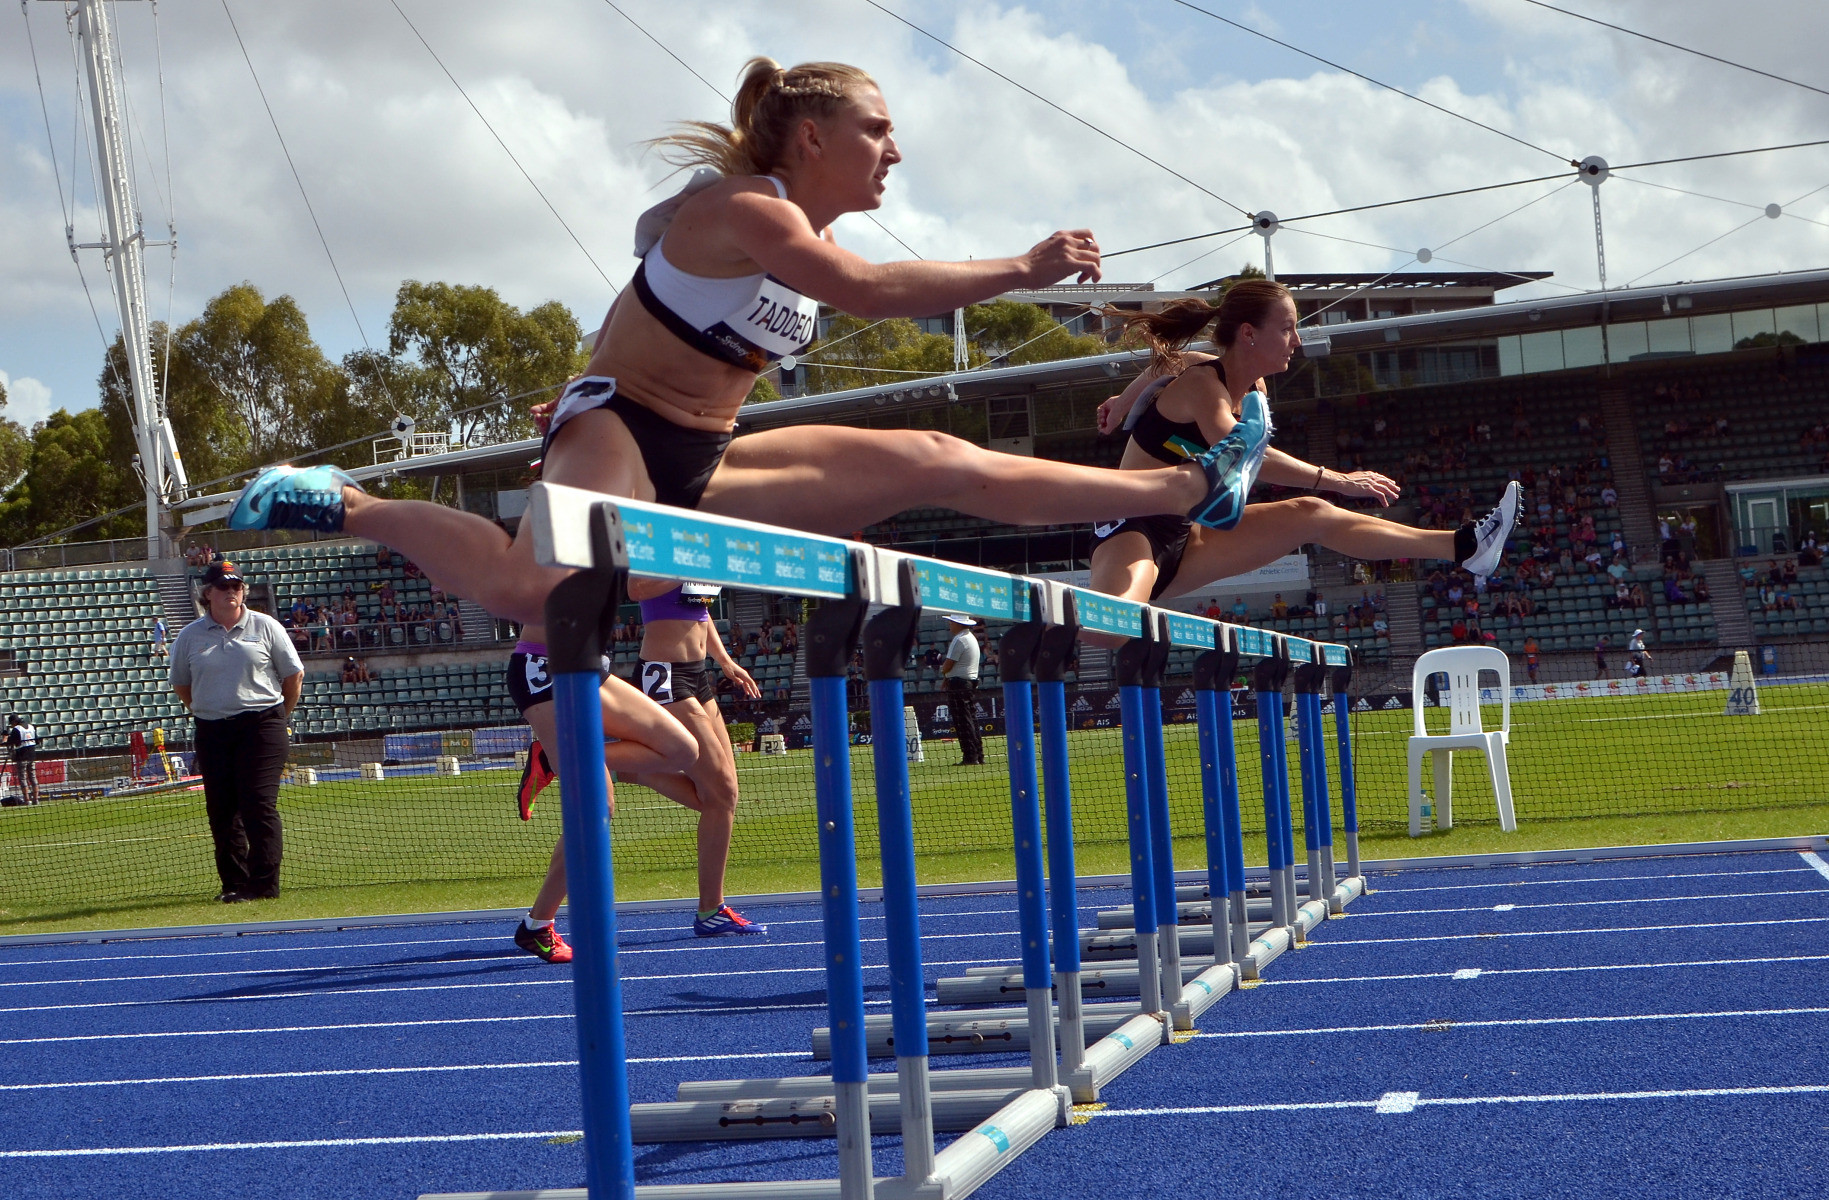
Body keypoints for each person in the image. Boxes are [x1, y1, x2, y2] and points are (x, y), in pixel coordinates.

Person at [226, 58, 1257, 633]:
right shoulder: (744, 209)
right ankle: (345, 502)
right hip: (621, 430)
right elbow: (863, 290)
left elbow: (668, 304)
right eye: (876, 130)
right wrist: (1020, 268)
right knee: (530, 591)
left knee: (938, 462)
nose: (894, 151)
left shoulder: (791, 231)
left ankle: (1184, 486)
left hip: (705, 451)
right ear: (810, 138)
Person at [1086, 281, 1518, 613]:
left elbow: (1164, 364)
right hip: (1132, 532)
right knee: (1114, 625)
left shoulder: (1248, 388)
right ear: (1249, 334)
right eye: (1287, 328)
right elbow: (1241, 450)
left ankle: (1466, 547)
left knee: (1312, 513)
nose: (1296, 340)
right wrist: (1339, 481)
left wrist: (1122, 405)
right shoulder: (1203, 385)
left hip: (1188, 538)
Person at [502, 617, 700, 962]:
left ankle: (552, 759)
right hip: (545, 670)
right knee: (595, 813)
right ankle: (537, 926)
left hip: (590, 668)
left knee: (682, 749)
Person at [622, 580, 767, 935]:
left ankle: (631, 769)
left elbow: (699, 611)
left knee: (723, 798)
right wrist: (684, 563)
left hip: (696, 675)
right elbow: (635, 589)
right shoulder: (665, 550)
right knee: (721, 792)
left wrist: (725, 660)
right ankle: (710, 909)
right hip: (665, 676)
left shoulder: (701, 555)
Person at [168, 561, 304, 903]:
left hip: (262, 726)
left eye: (236, 586)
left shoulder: (266, 625)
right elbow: (182, 684)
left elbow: (294, 676)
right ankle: (233, 884)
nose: (231, 592)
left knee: (257, 804)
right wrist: (209, 708)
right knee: (222, 809)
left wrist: (278, 717)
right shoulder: (189, 636)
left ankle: (263, 885)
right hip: (213, 729)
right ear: (207, 593)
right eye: (223, 587)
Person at [940, 614, 983, 766]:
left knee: (962, 721)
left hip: (959, 685)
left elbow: (948, 665)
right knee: (970, 719)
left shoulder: (959, 639)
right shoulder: (970, 638)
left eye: (951, 622)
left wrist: (944, 673)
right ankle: (978, 754)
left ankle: (970, 756)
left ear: (958, 624)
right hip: (968, 683)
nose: (950, 625)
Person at [6, 714, 40, 806]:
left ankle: (27, 800)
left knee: (22, 778)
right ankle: (36, 799)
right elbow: (37, 741)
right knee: (33, 777)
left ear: (14, 722)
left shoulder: (17, 729)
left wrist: (5, 737)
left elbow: (10, 742)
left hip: (21, 756)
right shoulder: (31, 727)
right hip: (32, 755)